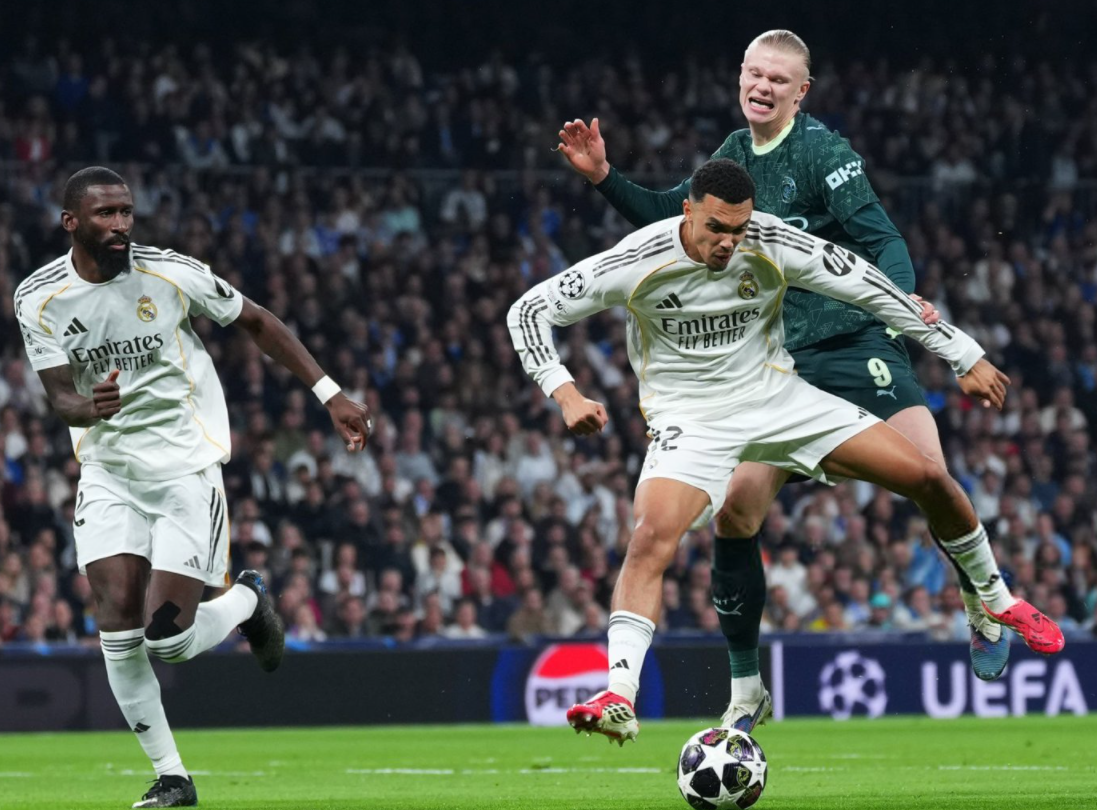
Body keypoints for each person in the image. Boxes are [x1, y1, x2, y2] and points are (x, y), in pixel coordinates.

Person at [507, 158, 1063, 745]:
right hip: (692, 421)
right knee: (650, 537)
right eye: (716, 228)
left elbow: (867, 284)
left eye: (738, 229)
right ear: (687, 211)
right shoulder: (636, 260)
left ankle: (995, 599)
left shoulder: (771, 241)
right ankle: (620, 692)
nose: (729, 242)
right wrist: (565, 393)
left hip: (778, 399)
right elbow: (528, 311)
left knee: (928, 476)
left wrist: (961, 352)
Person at [556, 29, 1015, 715]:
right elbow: (668, 216)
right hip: (777, 364)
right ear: (740, 77)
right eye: (754, 73)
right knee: (736, 510)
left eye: (777, 79)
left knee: (929, 476)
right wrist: (602, 176)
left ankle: (981, 603)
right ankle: (746, 690)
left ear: (801, 92)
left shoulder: (823, 154)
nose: (762, 87)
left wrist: (900, 312)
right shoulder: (732, 157)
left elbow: (883, 239)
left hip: (854, 340)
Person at [14, 167, 371, 808]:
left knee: (169, 642)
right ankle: (173, 777)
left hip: (184, 467)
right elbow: (59, 396)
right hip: (108, 472)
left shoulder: (171, 272)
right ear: (71, 222)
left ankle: (248, 601)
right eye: (105, 214)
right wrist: (88, 408)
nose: (121, 224)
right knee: (117, 628)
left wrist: (330, 393)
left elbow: (256, 321)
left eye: (126, 211)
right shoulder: (38, 296)